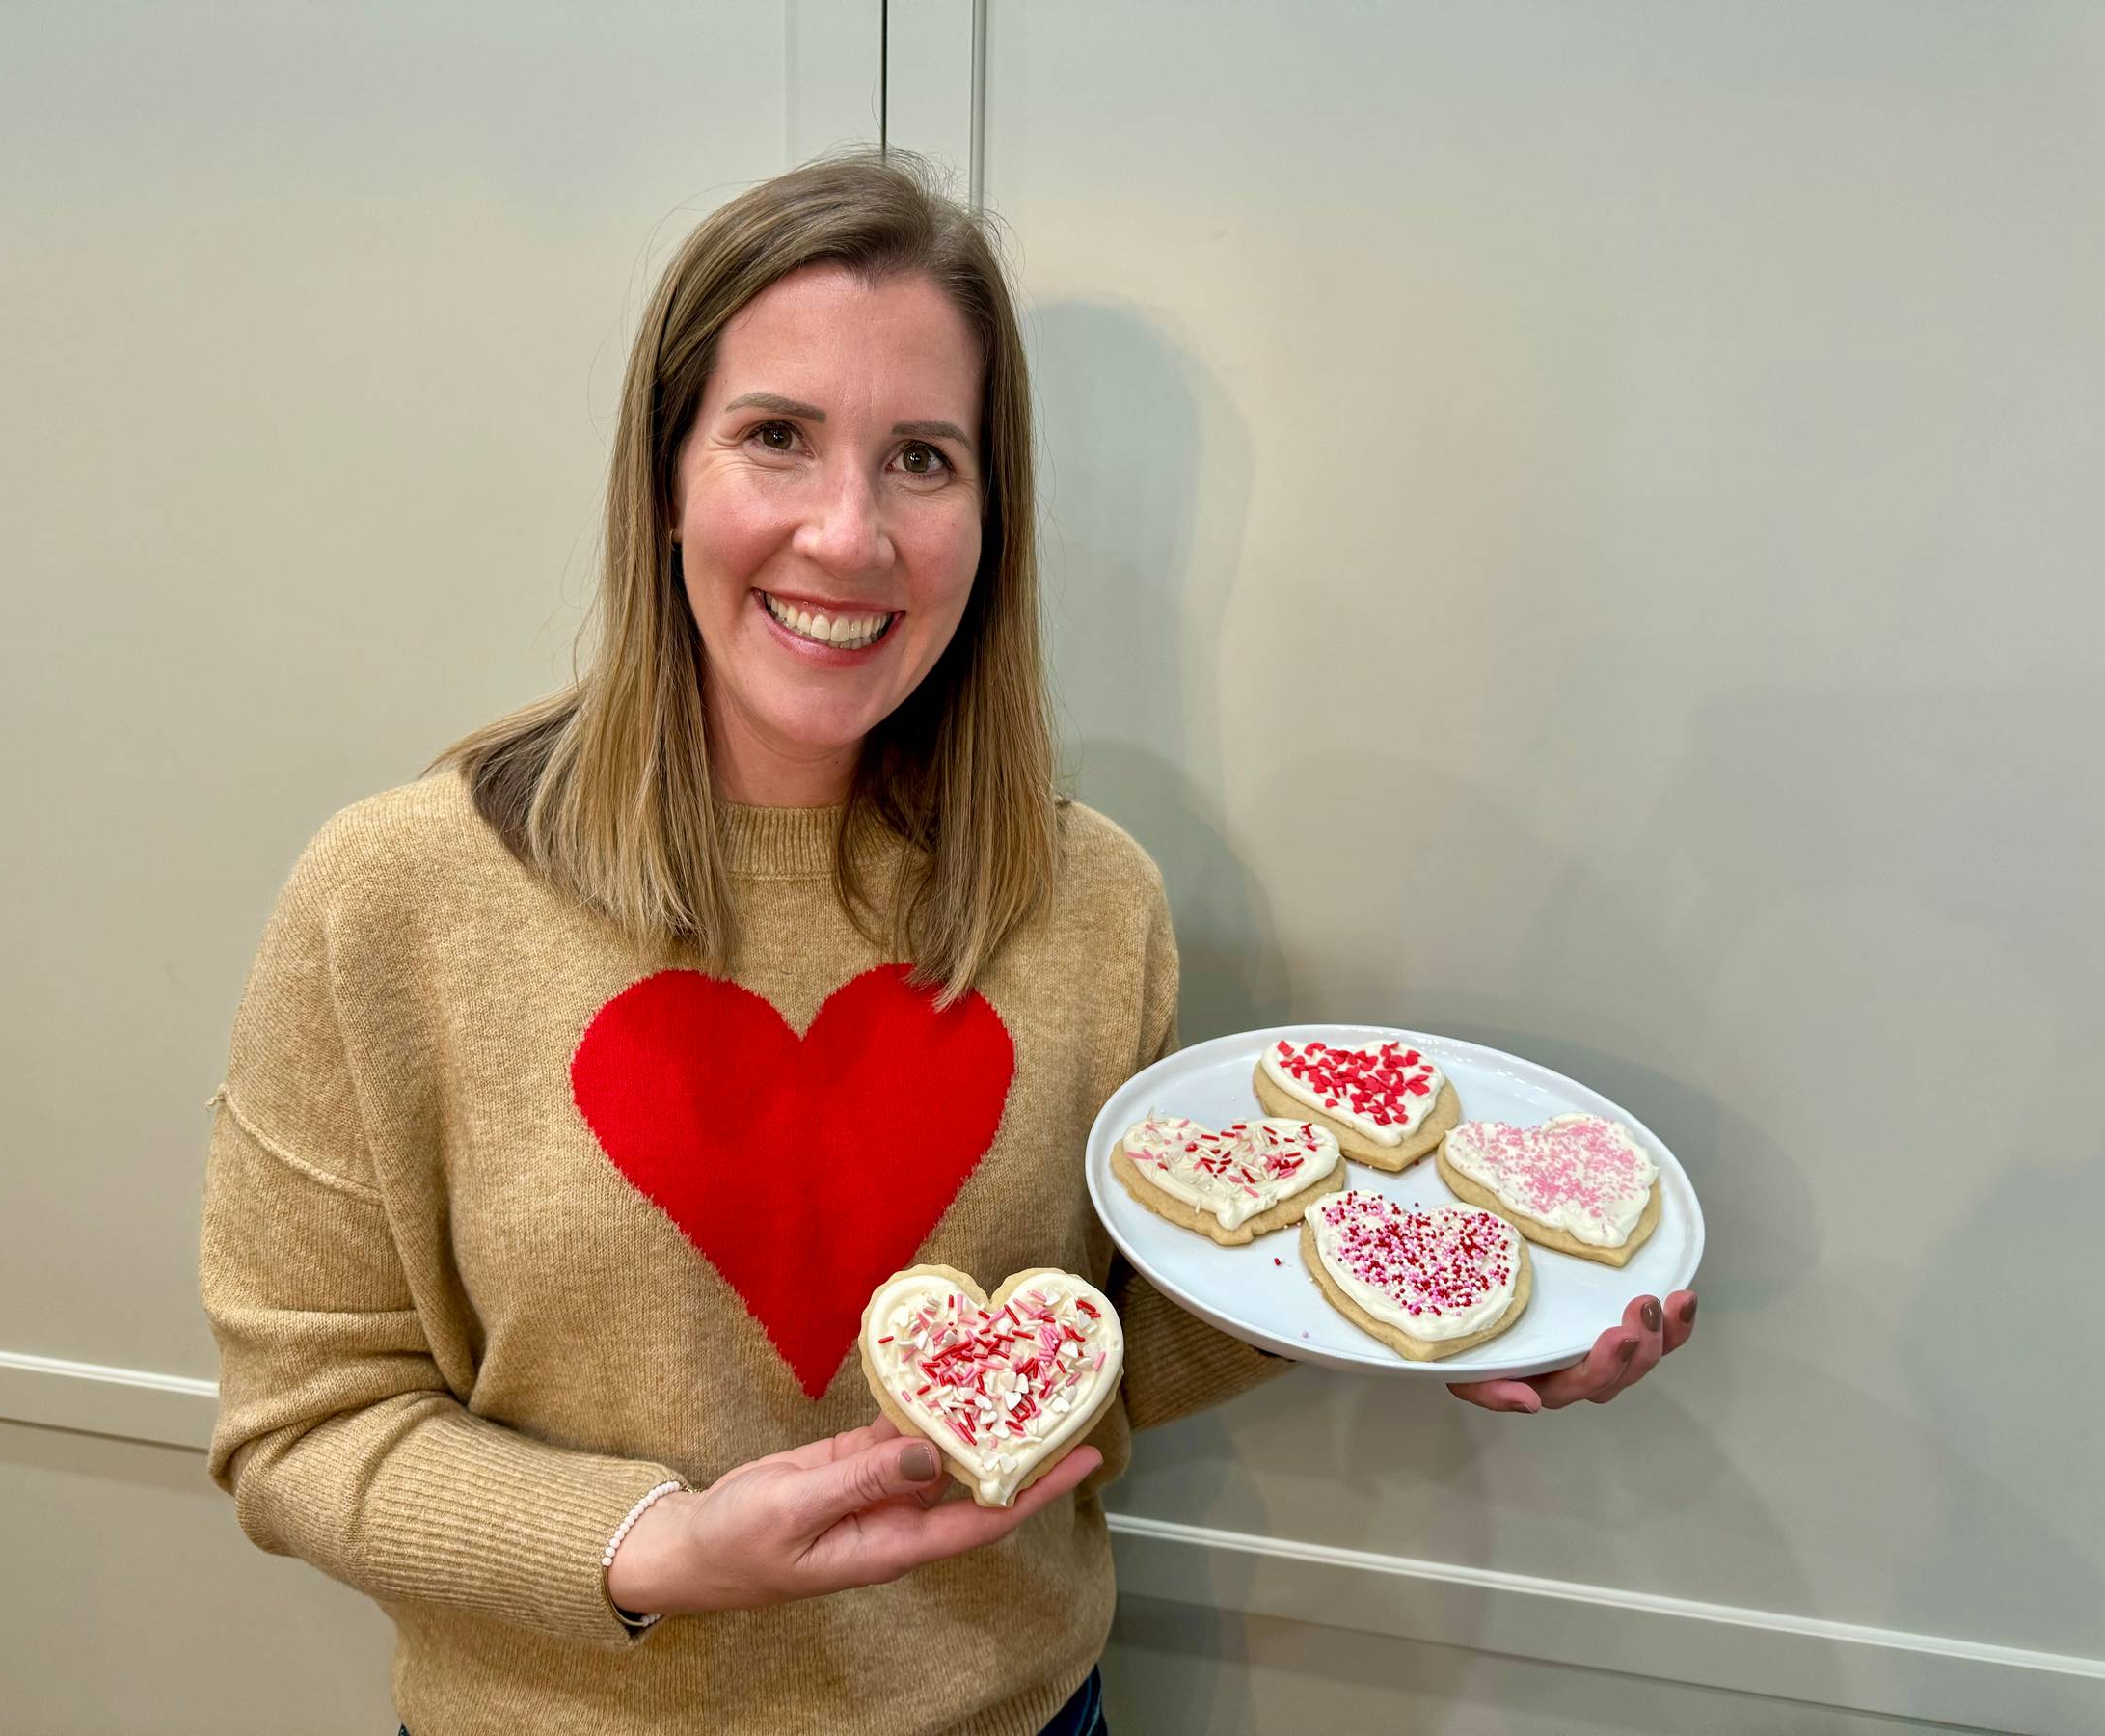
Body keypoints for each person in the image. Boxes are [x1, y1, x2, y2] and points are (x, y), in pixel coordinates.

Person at [199, 148, 1696, 1736]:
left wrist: (1449, 1298)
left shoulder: (1085, 897)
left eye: (921, 457)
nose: (849, 536)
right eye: (776, 437)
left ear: (990, 515)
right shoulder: (395, 898)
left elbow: (1106, 1349)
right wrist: (660, 1549)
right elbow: (301, 1424)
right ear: (663, 478)